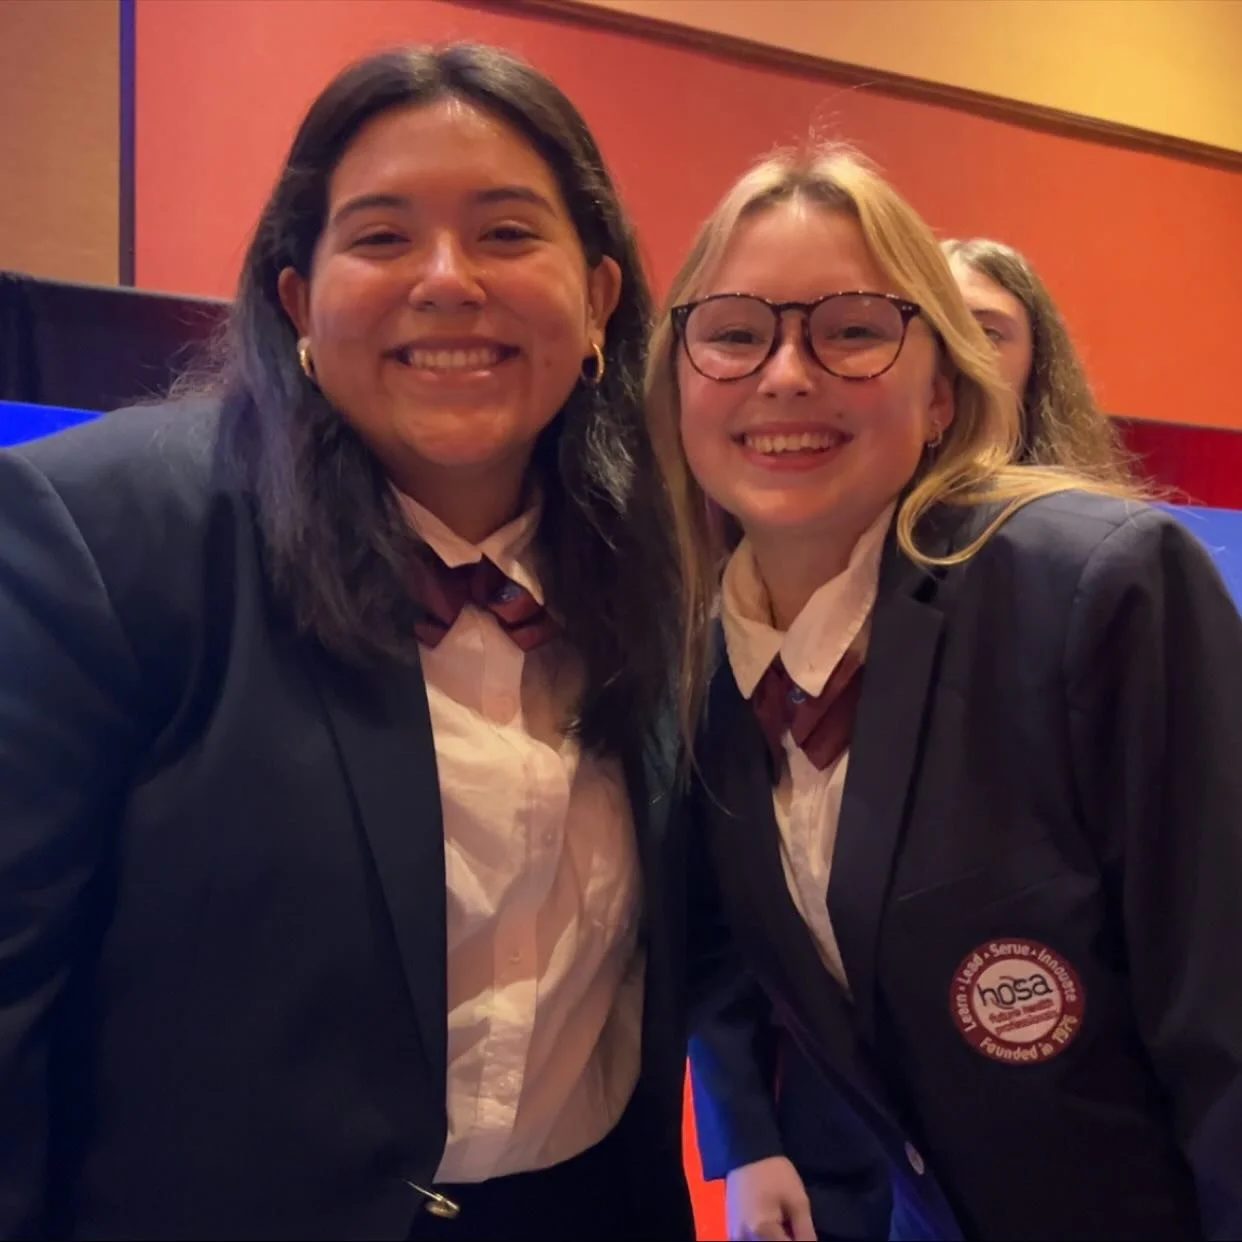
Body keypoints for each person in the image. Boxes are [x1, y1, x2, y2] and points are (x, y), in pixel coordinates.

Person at [0, 44, 696, 1241]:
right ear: (295, 301)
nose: (446, 281)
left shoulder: (672, 560)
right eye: (380, 238)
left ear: (599, 297)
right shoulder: (104, 530)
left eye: (507, 234)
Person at [649, 144, 1242, 1239]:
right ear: (676, 388)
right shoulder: (688, 668)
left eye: (854, 329)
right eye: (734, 332)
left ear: (942, 395)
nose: (784, 373)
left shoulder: (1100, 590)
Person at [942, 235, 1132, 483]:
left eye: (988, 332)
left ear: (1036, 366)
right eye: (938, 328)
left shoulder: (1080, 517)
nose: (957, 350)